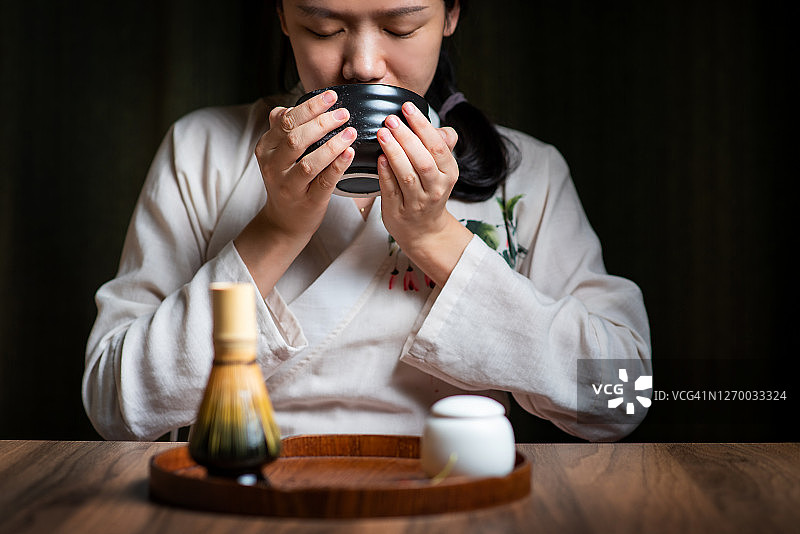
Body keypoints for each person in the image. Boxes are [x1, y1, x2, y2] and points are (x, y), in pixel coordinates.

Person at [83, 0, 651, 442]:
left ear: (451, 14)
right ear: (282, 17)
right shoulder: (203, 150)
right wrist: (278, 230)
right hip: (251, 494)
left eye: (400, 27)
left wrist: (435, 237)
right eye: (324, 28)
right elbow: (114, 405)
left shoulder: (527, 175)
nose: (363, 64)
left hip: (453, 498)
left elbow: (622, 396)